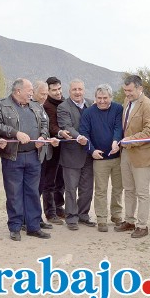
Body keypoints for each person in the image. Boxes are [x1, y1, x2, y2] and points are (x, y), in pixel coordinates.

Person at [0, 78, 53, 241]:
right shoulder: (0, 105)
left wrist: (42, 137)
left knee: (32, 192)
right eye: (29, 90)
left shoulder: (36, 106)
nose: (32, 93)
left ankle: (33, 227)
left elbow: (45, 124)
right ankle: (15, 227)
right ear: (18, 91)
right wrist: (15, 133)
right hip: (13, 157)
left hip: (33, 156)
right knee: (14, 194)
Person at [115, 75, 150, 238]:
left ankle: (142, 225)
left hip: (141, 155)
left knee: (142, 192)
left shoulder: (148, 105)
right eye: (125, 90)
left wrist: (129, 140)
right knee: (129, 189)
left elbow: (149, 131)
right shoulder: (127, 102)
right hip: (126, 153)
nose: (127, 93)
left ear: (140, 89)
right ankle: (129, 220)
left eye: (130, 90)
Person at [79, 84, 123, 232]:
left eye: (105, 98)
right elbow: (84, 133)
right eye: (99, 98)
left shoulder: (118, 109)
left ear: (111, 97)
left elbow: (119, 127)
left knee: (118, 188)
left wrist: (116, 141)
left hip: (117, 157)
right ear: (95, 98)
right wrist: (91, 150)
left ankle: (116, 215)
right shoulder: (88, 113)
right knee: (100, 190)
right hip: (99, 158)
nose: (102, 101)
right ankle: (101, 219)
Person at [57, 79, 95, 230]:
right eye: (74, 90)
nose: (78, 92)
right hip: (71, 154)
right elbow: (66, 126)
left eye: (80, 89)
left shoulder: (91, 104)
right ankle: (71, 217)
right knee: (71, 188)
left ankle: (83, 215)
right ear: (69, 91)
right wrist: (78, 137)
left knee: (87, 188)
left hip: (89, 154)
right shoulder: (63, 107)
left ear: (84, 90)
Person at [41, 76, 68, 225]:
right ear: (48, 90)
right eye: (53, 90)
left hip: (65, 147)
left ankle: (59, 207)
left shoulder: (65, 102)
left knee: (61, 180)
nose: (57, 92)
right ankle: (50, 212)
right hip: (51, 147)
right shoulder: (45, 105)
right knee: (49, 182)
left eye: (59, 89)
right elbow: (50, 126)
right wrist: (59, 132)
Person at [33, 80, 54, 230]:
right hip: (34, 154)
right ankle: (33, 218)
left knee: (40, 188)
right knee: (35, 189)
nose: (44, 96)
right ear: (34, 92)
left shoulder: (42, 107)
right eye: (42, 93)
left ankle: (36, 217)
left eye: (46, 93)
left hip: (45, 154)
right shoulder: (31, 107)